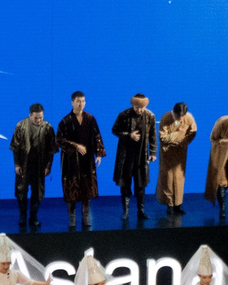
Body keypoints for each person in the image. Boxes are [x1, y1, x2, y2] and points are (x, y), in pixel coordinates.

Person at [56, 91, 103, 230]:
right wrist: (76, 146)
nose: (80, 103)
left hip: (87, 159)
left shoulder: (90, 118)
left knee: (86, 186)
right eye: (78, 101)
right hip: (71, 160)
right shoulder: (65, 121)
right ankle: (72, 217)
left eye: (83, 101)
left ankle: (86, 215)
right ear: (72, 102)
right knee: (72, 186)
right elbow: (59, 140)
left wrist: (98, 153)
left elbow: (97, 136)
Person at [112, 91, 157, 226]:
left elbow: (153, 135)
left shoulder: (150, 116)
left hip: (141, 156)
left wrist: (153, 152)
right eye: (137, 107)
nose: (140, 110)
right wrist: (128, 135)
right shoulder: (124, 115)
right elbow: (114, 130)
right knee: (125, 184)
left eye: (142, 108)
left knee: (141, 185)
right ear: (133, 105)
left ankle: (141, 211)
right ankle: (125, 211)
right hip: (126, 156)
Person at [10, 102, 56, 230]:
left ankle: (34, 217)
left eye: (41, 117)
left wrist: (48, 166)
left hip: (40, 165)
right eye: (36, 118)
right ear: (30, 115)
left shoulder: (48, 127)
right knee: (21, 191)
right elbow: (15, 147)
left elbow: (52, 150)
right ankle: (22, 216)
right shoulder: (21, 126)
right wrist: (17, 164)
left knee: (37, 193)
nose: (39, 120)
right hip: (24, 164)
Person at [156, 100, 196, 216]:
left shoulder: (188, 117)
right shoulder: (166, 118)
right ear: (174, 112)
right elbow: (163, 137)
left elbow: (192, 132)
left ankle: (178, 204)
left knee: (179, 179)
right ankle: (169, 204)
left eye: (182, 116)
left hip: (180, 152)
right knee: (167, 178)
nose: (180, 118)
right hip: (167, 152)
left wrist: (184, 141)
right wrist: (179, 134)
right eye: (179, 115)